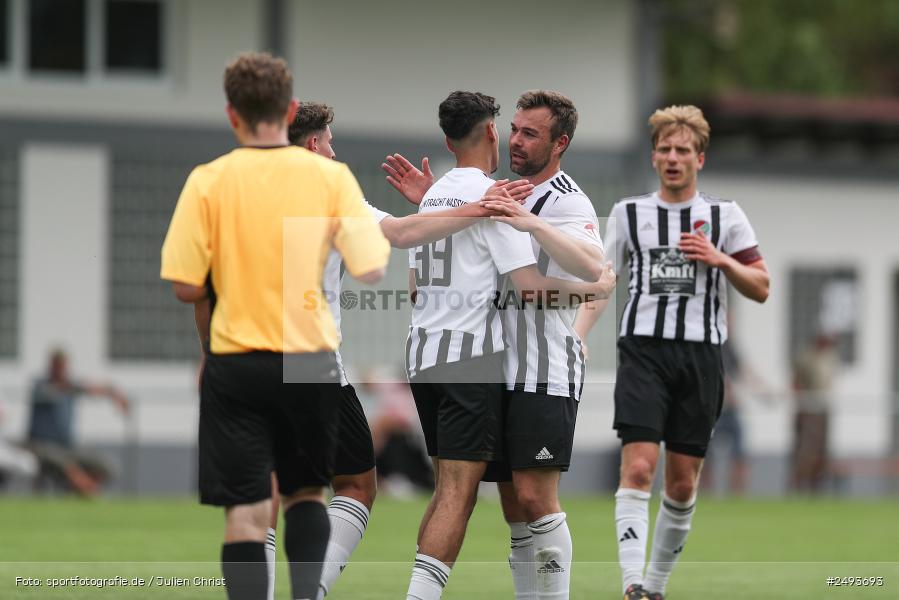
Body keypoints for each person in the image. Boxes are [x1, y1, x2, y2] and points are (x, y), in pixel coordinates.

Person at [160, 52, 390, 600]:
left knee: (246, 509)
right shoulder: (329, 178)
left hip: (236, 361)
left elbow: (187, 287)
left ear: (232, 114)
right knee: (306, 494)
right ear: (289, 110)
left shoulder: (207, 181)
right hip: (308, 356)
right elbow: (372, 265)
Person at [387, 90, 614, 600]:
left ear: (561, 143)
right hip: (491, 368)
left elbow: (593, 266)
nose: (517, 140)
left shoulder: (566, 199)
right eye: (514, 128)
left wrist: (525, 222)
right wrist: (441, 203)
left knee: (536, 497)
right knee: (512, 503)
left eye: (531, 133)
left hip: (542, 367)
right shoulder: (491, 192)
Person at [600, 105, 769, 600]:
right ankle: (632, 584)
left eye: (683, 150)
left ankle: (655, 586)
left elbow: (761, 285)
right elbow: (603, 280)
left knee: (680, 484)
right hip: (643, 351)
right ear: (654, 156)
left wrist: (720, 260)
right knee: (637, 469)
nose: (673, 158)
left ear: (701, 158)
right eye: (665, 149)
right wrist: (575, 328)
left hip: (701, 356)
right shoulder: (629, 213)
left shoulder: (725, 216)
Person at [24, 348, 129, 496]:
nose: (60, 371)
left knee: (109, 467)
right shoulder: (40, 386)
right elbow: (61, 390)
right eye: (57, 367)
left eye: (63, 367)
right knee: (61, 460)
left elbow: (88, 389)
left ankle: (80, 489)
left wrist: (113, 392)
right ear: (51, 367)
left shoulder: (72, 387)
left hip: (68, 447)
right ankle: (86, 490)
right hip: (40, 446)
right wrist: (80, 388)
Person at [790, 333, 838, 492]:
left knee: (821, 451)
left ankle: (816, 486)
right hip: (808, 409)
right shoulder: (806, 358)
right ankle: (799, 486)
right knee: (805, 451)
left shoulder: (830, 358)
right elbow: (796, 382)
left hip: (822, 409)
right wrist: (801, 405)